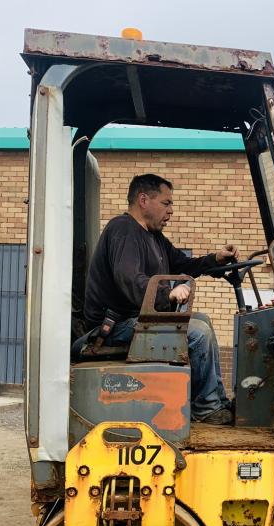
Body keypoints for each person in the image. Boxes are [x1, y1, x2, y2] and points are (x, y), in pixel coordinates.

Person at [74, 173, 237, 425]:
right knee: (197, 333)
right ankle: (206, 408)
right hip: (114, 326)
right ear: (143, 200)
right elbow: (129, 278)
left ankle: (213, 400)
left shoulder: (154, 237)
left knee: (203, 320)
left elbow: (183, 263)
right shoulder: (123, 230)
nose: (171, 210)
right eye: (166, 203)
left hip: (137, 320)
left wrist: (215, 259)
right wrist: (167, 293)